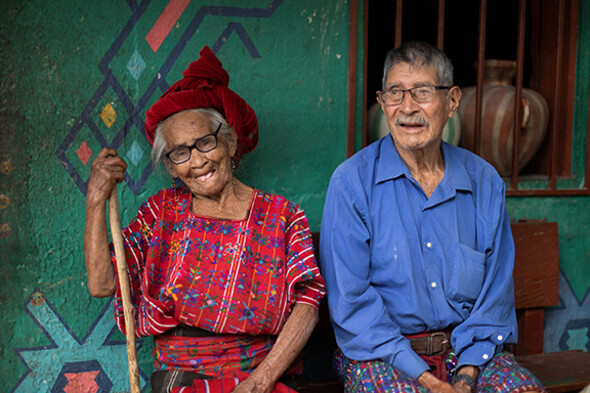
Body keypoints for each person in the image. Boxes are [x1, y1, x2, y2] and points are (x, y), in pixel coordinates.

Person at [84, 46, 325, 393]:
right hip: (182, 381)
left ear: (229, 143)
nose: (196, 161)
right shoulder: (162, 213)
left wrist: (259, 383)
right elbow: (103, 285)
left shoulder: (282, 216)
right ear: (170, 166)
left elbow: (307, 306)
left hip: (264, 378)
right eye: (180, 152)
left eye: (205, 143)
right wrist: (95, 200)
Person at [319, 41, 546, 393]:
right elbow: (352, 304)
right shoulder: (352, 183)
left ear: (452, 101)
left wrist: (466, 376)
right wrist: (426, 380)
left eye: (423, 92)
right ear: (382, 103)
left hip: (470, 351)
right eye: (395, 93)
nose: (408, 108)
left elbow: (495, 295)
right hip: (381, 352)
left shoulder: (483, 182)